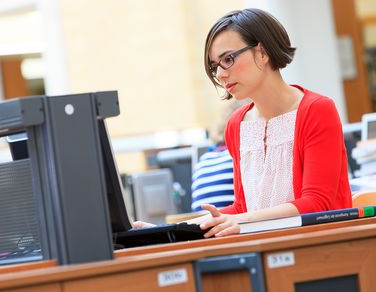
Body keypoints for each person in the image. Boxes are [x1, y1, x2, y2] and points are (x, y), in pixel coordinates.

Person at [134, 8, 352, 237]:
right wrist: (167, 231)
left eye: (228, 59)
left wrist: (239, 219)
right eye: (214, 65)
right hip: (263, 249)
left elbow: (318, 203)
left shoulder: (317, 110)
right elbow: (242, 207)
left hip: (323, 247)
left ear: (263, 52)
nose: (220, 74)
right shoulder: (236, 124)